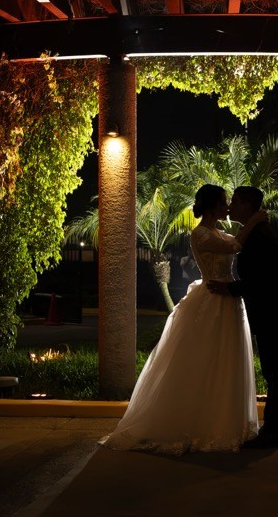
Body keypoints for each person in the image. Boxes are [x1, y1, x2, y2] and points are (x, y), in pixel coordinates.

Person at [102, 184, 267, 454]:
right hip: (213, 299)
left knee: (226, 361)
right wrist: (256, 220)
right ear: (213, 205)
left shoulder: (219, 232)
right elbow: (235, 246)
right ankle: (198, 423)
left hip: (229, 302)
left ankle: (222, 420)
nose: (227, 206)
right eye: (224, 201)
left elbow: (233, 243)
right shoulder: (200, 233)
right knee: (205, 359)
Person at [208, 186, 278, 449]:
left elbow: (261, 279)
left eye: (234, 201)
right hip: (270, 313)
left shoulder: (260, 236)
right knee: (274, 371)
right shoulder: (255, 232)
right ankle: (274, 429)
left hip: (272, 313)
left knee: (276, 373)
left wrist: (230, 288)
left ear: (247, 205)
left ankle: (274, 431)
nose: (231, 207)